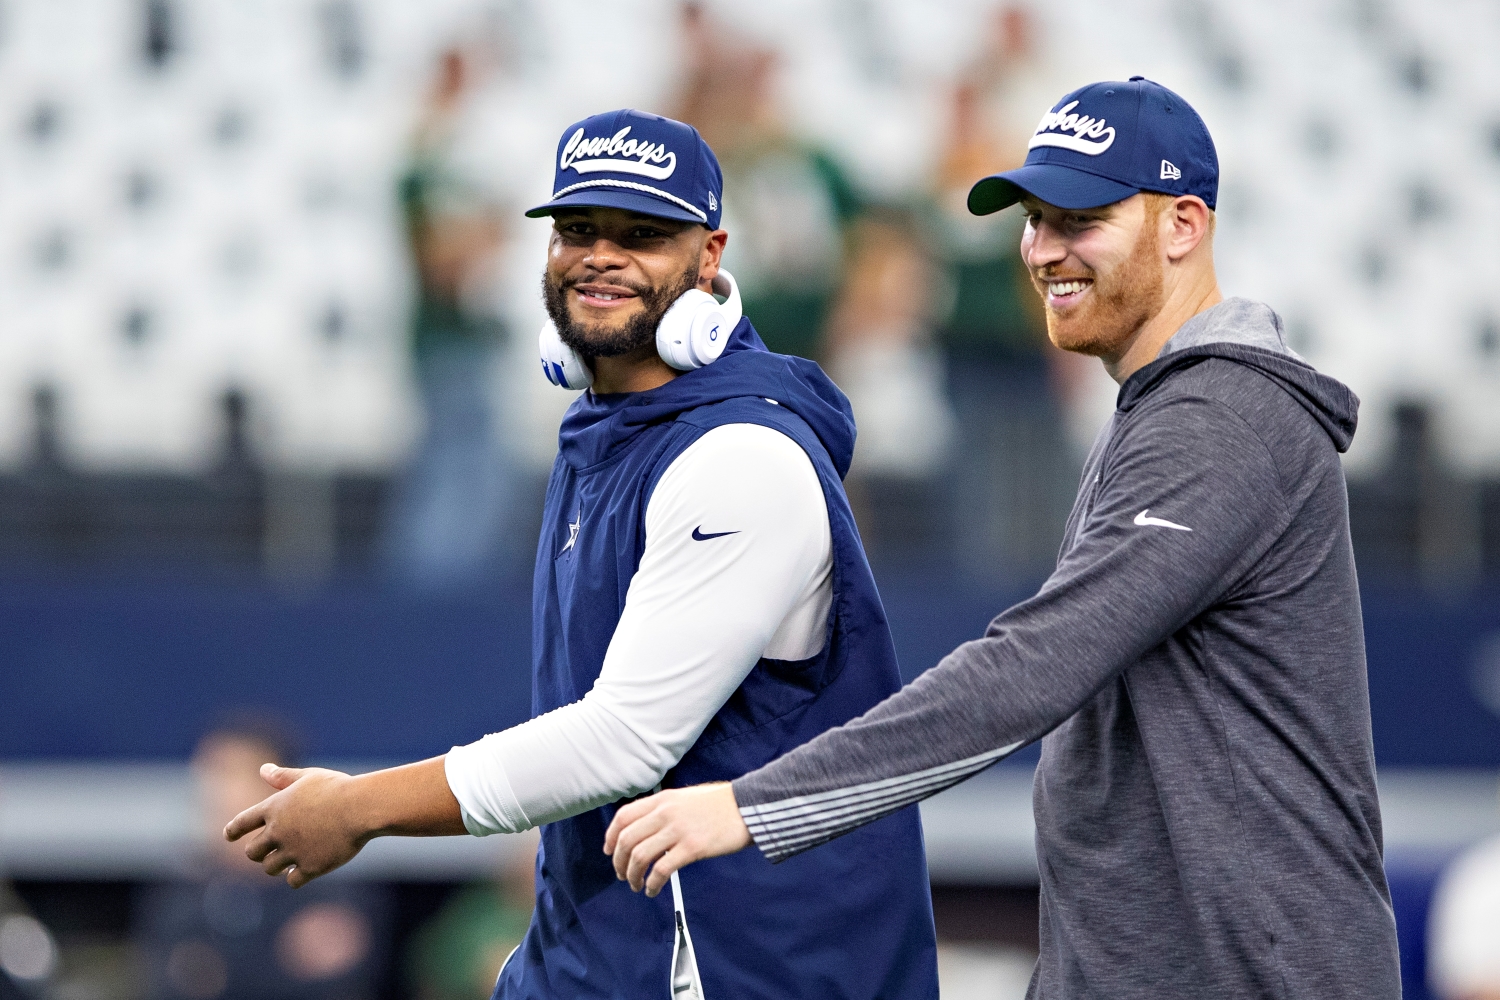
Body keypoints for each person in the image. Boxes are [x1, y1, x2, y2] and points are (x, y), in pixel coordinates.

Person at [605, 78, 1405, 999]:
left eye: (1081, 220)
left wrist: (754, 805)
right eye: (1033, 219)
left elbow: (1033, 669)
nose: (1043, 250)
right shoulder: (1161, 411)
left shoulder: (1220, 419)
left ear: (1183, 225)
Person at [224, 109, 939, 999]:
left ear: (710, 256)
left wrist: (357, 809)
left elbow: (624, 742)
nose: (601, 255)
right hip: (612, 958)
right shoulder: (606, 431)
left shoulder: (741, 457)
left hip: (742, 965)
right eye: (577, 230)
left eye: (643, 234)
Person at [136, 720, 388, 1000]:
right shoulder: (179, 895)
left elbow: (339, 978)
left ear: (280, 788)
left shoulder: (334, 888)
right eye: (207, 774)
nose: (213, 791)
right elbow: (176, 982)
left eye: (230, 774)